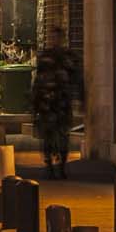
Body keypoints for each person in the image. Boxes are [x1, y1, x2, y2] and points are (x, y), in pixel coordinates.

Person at [31, 27, 81, 178]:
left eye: (57, 37)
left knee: (63, 135)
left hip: (62, 102)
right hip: (46, 103)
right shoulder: (45, 57)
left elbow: (77, 77)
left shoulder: (69, 57)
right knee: (47, 135)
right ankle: (49, 165)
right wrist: (35, 103)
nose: (54, 40)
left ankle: (62, 165)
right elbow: (38, 80)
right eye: (52, 37)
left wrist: (80, 97)